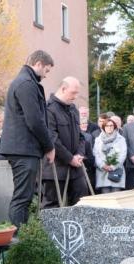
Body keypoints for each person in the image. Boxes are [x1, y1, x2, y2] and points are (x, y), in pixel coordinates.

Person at [0, 50, 56, 229]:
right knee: (22, 197)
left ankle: (21, 235)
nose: (46, 75)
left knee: (24, 196)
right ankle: (19, 239)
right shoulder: (26, 84)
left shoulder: (25, 82)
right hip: (23, 149)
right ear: (38, 64)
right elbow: (35, 120)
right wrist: (49, 146)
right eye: (46, 70)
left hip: (23, 148)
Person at [42, 77, 87, 207]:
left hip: (76, 169)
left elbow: (81, 136)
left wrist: (79, 154)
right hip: (55, 168)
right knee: (52, 208)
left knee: (81, 205)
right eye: (73, 93)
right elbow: (52, 139)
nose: (76, 97)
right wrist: (70, 158)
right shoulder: (48, 109)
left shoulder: (73, 109)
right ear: (63, 89)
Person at [94, 115, 127, 194]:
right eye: (107, 126)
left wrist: (113, 166)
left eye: (111, 125)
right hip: (103, 171)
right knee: (105, 195)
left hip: (116, 171)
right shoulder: (98, 140)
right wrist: (102, 165)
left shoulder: (121, 139)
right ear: (103, 127)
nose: (109, 127)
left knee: (116, 194)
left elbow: (123, 154)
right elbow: (96, 154)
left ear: (115, 127)